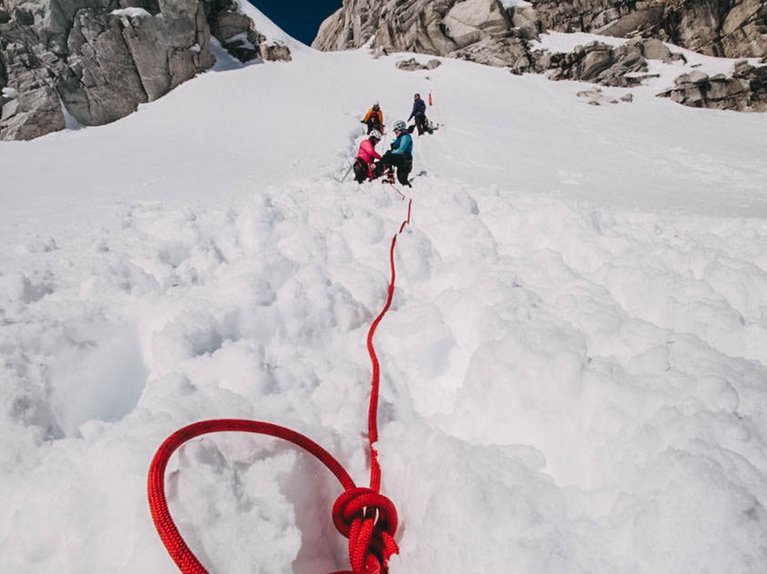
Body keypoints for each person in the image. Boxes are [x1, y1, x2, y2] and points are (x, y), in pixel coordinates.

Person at [380, 120, 413, 186]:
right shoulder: (400, 137)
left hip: (405, 161)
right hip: (403, 161)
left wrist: (391, 152)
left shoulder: (406, 137)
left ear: (400, 128)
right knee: (402, 180)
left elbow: (401, 150)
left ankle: (389, 175)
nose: (395, 132)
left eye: (396, 130)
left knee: (388, 156)